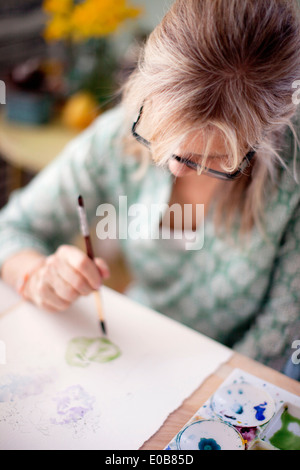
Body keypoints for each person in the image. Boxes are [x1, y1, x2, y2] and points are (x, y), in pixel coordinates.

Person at [0, 0, 300, 379]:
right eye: (158, 134)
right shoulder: (117, 133)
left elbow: (275, 342)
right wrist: (37, 276)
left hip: (233, 378)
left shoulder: (293, 182)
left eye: (211, 158)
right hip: (138, 347)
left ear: (268, 134)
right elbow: (11, 229)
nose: (174, 167)